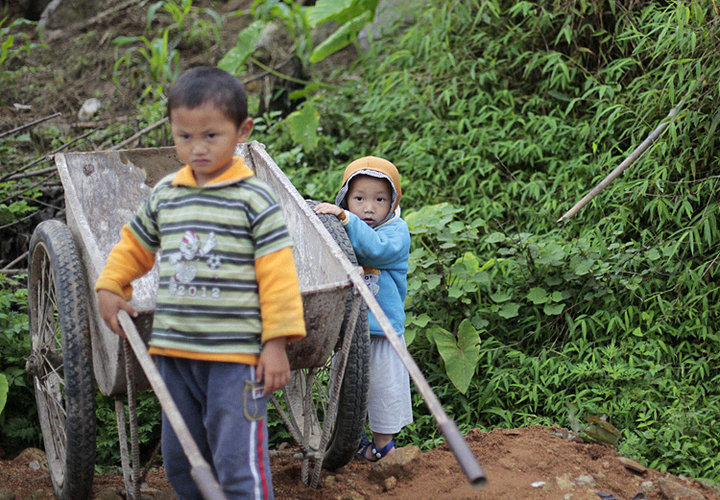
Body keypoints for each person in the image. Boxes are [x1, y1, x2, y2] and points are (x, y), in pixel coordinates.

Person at [95, 66, 306, 499]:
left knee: (237, 463)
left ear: (241, 130)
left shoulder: (254, 199)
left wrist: (276, 342)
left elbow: (278, 274)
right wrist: (112, 284)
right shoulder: (166, 194)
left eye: (212, 136)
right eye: (184, 137)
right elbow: (135, 245)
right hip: (176, 356)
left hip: (236, 360)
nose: (197, 149)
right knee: (183, 462)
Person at [314, 156, 412, 461]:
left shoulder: (396, 233)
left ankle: (384, 445)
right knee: (343, 387)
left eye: (379, 199)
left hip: (382, 329)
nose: (369, 207)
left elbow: (374, 249)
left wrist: (346, 218)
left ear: (393, 202)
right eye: (359, 198)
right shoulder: (345, 228)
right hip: (349, 329)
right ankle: (349, 441)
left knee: (384, 388)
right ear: (345, 197)